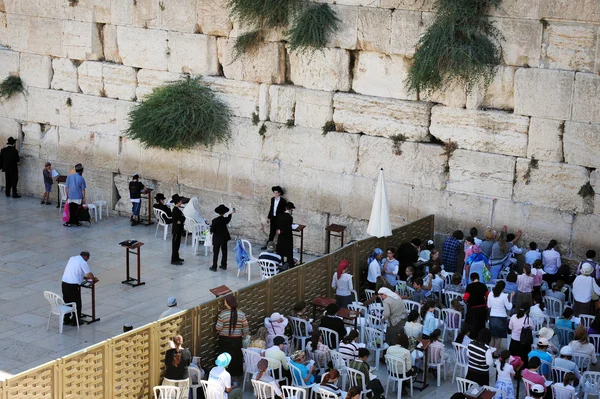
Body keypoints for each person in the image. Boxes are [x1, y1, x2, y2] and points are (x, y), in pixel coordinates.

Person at [215, 295, 249, 379]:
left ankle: (225, 376)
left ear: (227, 303)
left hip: (225, 340)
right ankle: (236, 377)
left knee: (225, 358)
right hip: (237, 340)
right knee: (236, 358)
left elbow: (218, 328)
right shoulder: (241, 313)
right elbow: (246, 326)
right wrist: (244, 336)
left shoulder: (222, 314)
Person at [61, 251, 97, 326]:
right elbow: (90, 275)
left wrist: (83, 277)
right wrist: (93, 279)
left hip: (64, 282)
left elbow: (75, 271)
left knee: (67, 301)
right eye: (87, 258)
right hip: (72, 285)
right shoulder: (83, 262)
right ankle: (75, 320)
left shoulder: (72, 258)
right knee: (77, 302)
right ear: (86, 257)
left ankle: (66, 319)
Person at [487, 280, 514, 354]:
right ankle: (496, 353)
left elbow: (489, 305)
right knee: (498, 338)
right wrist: (511, 298)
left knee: (492, 337)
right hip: (501, 318)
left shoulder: (490, 294)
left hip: (492, 317)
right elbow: (509, 307)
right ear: (503, 288)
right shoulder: (504, 296)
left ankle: (489, 353)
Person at [163, 335, 192, 399]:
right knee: (182, 397)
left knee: (167, 396)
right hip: (183, 379)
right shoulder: (187, 352)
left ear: (173, 342)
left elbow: (166, 363)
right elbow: (188, 364)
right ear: (182, 342)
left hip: (170, 378)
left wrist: (172, 348)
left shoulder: (169, 352)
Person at [210, 204, 235, 272]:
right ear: (224, 213)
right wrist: (231, 213)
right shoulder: (225, 220)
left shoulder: (214, 220)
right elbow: (229, 218)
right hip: (224, 238)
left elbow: (212, 230)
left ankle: (214, 266)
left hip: (217, 239)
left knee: (216, 252)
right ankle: (224, 265)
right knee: (224, 252)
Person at [464, 272, 488, 338]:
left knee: (472, 326)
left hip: (472, 309)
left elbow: (465, 298)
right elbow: (487, 296)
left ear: (471, 279)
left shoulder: (469, 286)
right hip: (482, 309)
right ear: (478, 278)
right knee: (481, 325)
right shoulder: (484, 286)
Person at [276, 202, 295, 267]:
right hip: (287, 237)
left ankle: (280, 263)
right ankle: (290, 264)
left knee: (280, 250)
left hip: (281, 236)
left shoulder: (280, 215)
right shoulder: (290, 217)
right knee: (289, 251)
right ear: (291, 209)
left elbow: (278, 225)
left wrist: (280, 231)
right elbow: (288, 228)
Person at [170, 194, 187, 265]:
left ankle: (177, 257)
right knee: (175, 245)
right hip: (176, 230)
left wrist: (181, 220)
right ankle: (173, 260)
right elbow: (176, 220)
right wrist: (180, 220)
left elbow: (182, 218)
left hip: (179, 230)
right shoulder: (175, 210)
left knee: (177, 244)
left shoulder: (177, 209)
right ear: (179, 201)